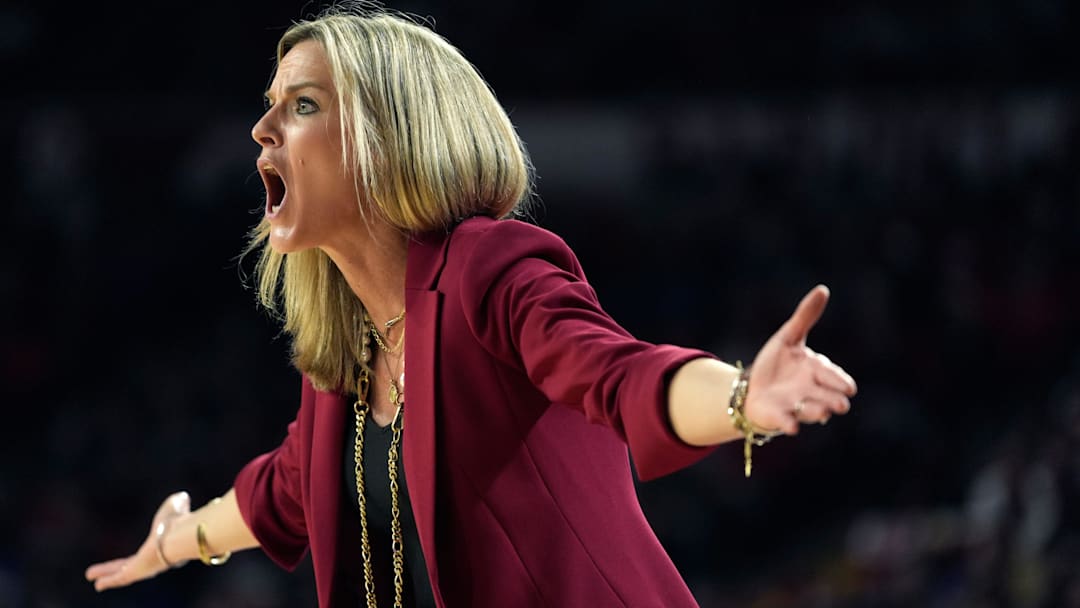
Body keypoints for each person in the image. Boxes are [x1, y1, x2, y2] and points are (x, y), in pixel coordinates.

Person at [84, 6, 857, 607]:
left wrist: (743, 395)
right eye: (270, 104)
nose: (263, 128)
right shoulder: (348, 358)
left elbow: (617, 375)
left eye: (303, 105)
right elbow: (282, 492)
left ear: (388, 135)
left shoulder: (490, 267)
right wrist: (175, 541)